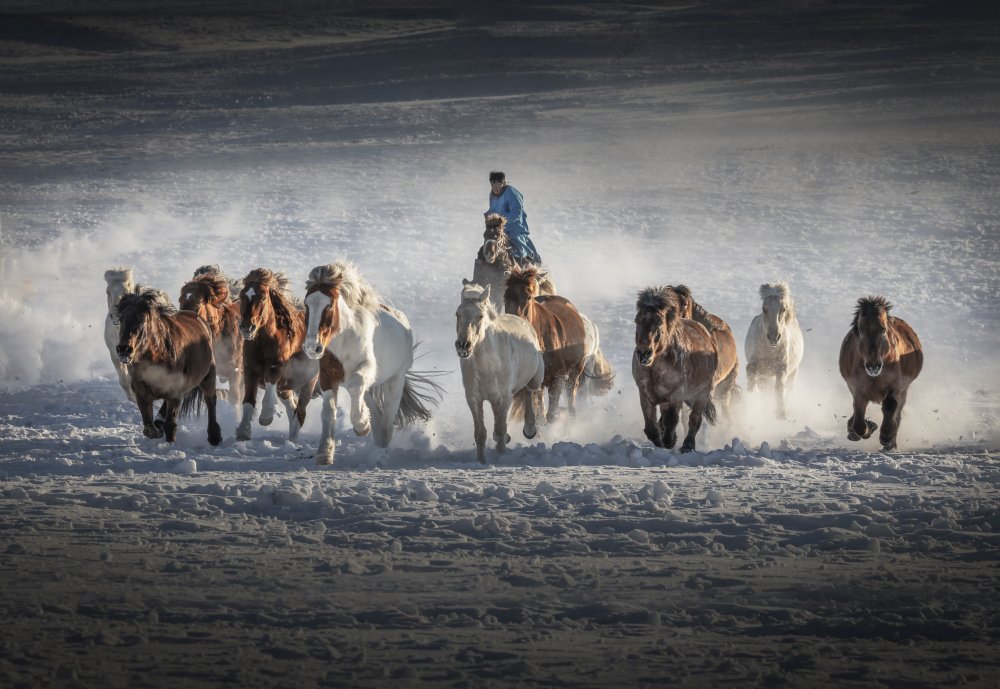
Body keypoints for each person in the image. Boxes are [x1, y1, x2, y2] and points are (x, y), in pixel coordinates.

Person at [485, 171, 543, 265]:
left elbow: (516, 213)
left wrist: (502, 222)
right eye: (492, 184)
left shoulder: (512, 193)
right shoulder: (492, 195)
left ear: (503, 183)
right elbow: (492, 210)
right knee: (488, 242)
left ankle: (524, 265)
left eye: (497, 184)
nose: (495, 188)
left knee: (518, 246)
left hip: (514, 228)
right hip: (498, 229)